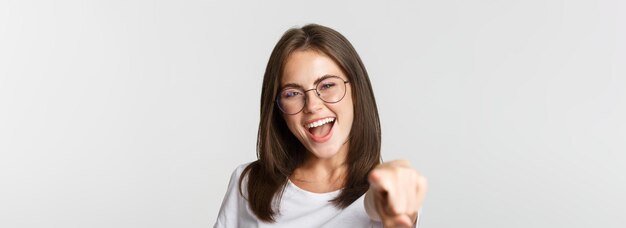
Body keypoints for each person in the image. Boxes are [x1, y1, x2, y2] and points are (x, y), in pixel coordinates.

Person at [214, 24, 427, 228]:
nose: (313, 106)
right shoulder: (249, 184)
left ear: (356, 92)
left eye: (327, 85)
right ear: (278, 108)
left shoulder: (383, 194)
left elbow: (392, 211)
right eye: (292, 93)